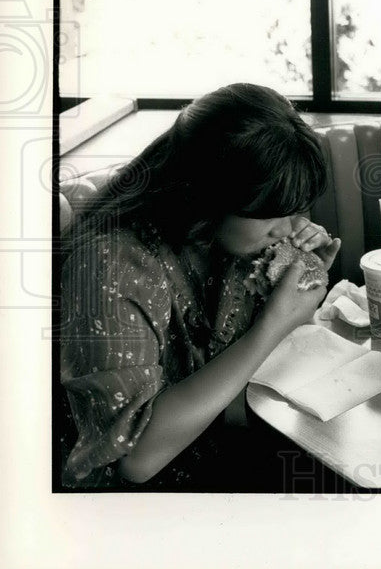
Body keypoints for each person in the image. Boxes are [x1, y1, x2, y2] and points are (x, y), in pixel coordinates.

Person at [59, 83, 341, 488]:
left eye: (295, 210)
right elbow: (134, 460)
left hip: (227, 447)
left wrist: (286, 293)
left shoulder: (221, 238)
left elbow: (228, 365)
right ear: (207, 193)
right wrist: (273, 327)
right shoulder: (110, 265)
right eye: (271, 214)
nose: (290, 228)